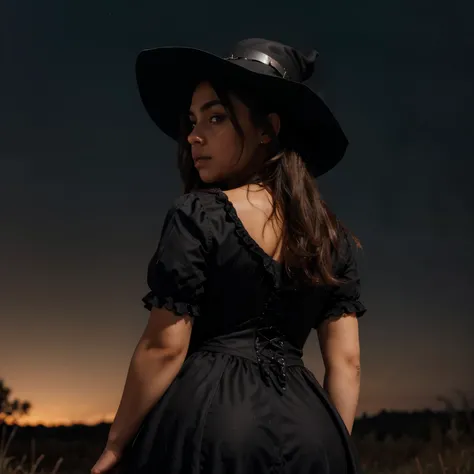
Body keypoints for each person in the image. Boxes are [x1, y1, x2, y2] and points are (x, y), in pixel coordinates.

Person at [91, 38, 367, 474]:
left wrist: (116, 444)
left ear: (267, 128)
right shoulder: (331, 238)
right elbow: (347, 363)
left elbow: (164, 346)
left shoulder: (199, 213)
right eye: (192, 120)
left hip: (211, 423)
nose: (194, 135)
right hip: (313, 431)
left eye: (215, 117)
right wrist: (334, 445)